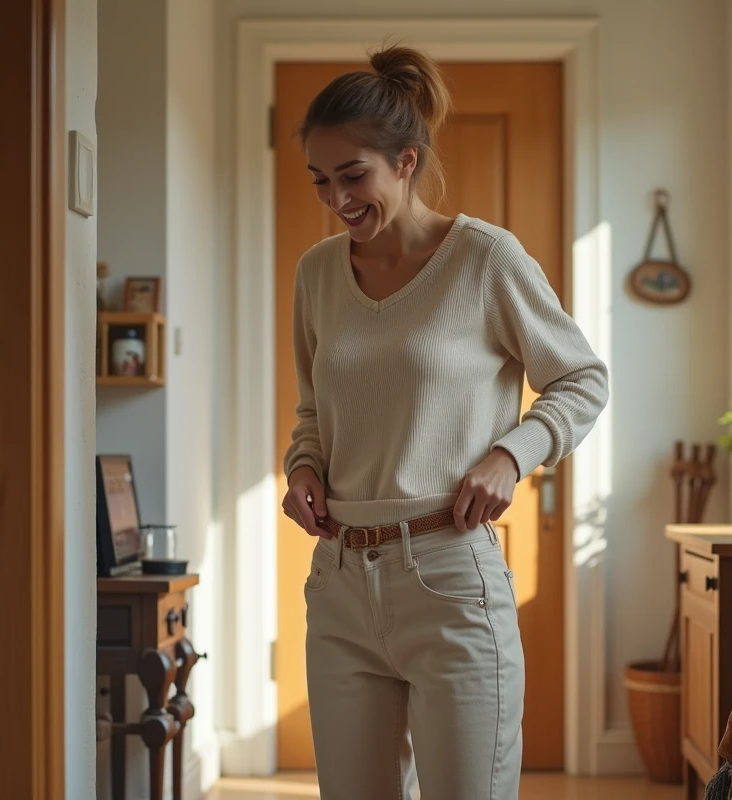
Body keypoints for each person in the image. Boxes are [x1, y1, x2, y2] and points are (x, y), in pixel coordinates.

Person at [280, 43, 610, 800]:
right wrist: (303, 469)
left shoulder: (485, 259)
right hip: (338, 586)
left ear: (406, 160)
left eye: (352, 176)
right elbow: (313, 414)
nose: (337, 199)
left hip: (450, 578)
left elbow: (581, 378)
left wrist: (511, 455)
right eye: (321, 181)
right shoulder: (317, 275)